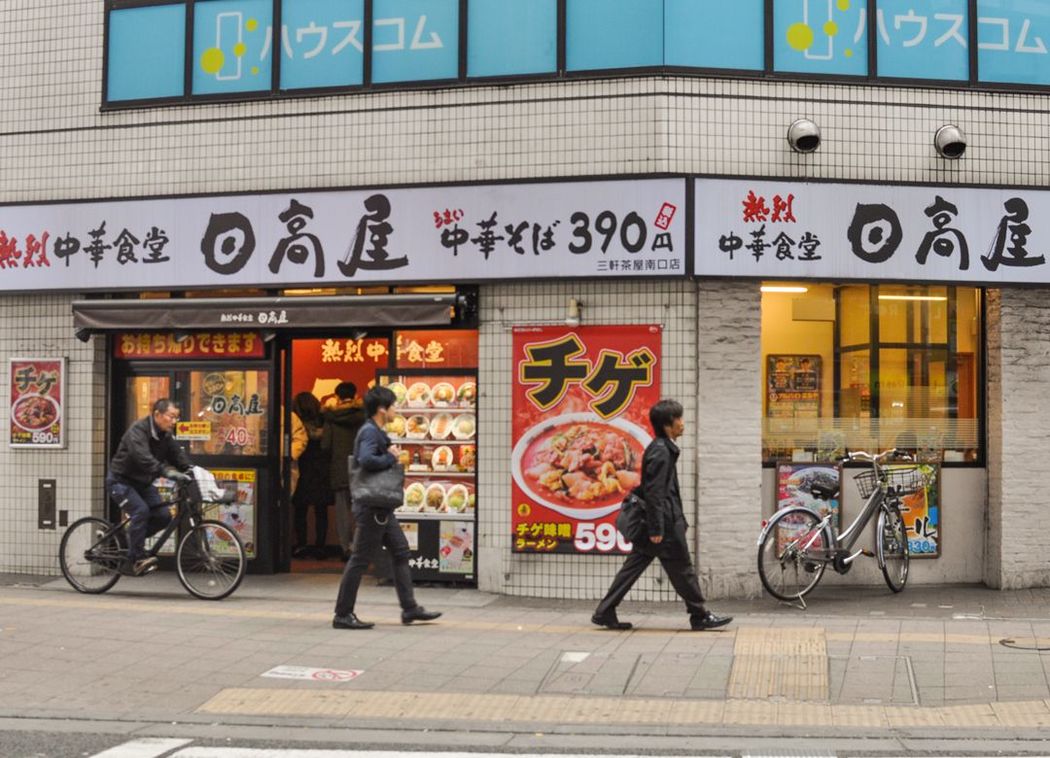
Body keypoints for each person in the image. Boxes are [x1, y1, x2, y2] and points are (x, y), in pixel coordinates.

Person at [592, 399, 732, 632]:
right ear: (668, 424)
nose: (682, 423)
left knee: (636, 566)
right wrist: (657, 529)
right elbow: (655, 493)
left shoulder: (662, 448)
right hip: (664, 524)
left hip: (663, 521)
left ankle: (604, 611)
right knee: (682, 569)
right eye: (679, 419)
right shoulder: (661, 452)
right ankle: (699, 615)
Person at [332, 385, 441, 630]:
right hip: (372, 506)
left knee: (401, 551)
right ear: (381, 409)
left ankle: (410, 609)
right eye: (393, 406)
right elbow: (366, 460)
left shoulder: (374, 430)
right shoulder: (370, 432)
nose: (395, 410)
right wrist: (392, 457)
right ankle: (342, 614)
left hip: (379, 507)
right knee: (360, 559)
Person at [107, 398, 193, 576]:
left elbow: (177, 455)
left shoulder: (165, 436)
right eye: (171, 417)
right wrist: (166, 472)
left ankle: (129, 540)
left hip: (143, 483)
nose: (174, 421)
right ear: (157, 415)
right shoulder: (138, 431)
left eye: (177, 417)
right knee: (141, 511)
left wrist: (191, 470)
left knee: (163, 516)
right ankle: (136, 558)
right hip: (120, 481)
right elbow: (143, 458)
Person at [322, 381, 367, 560]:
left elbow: (325, 445)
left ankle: (345, 548)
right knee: (361, 510)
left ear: (337, 397)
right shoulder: (364, 416)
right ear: (355, 395)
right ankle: (357, 547)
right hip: (360, 467)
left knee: (342, 512)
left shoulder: (331, 418)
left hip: (339, 468)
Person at [291, 391, 332, 559]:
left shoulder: (295, 423)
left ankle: (301, 545)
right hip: (322, 469)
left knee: (300, 510)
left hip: (302, 469)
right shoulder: (325, 421)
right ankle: (321, 546)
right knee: (320, 511)